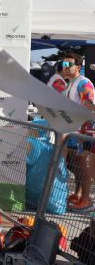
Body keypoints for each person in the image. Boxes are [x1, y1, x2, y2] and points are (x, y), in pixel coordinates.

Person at [58, 53, 95, 211]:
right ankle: (78, 194)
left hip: (84, 131)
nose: (64, 68)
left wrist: (84, 129)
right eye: (63, 65)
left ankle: (86, 200)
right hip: (74, 130)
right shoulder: (69, 83)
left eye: (68, 65)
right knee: (76, 164)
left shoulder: (83, 83)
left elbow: (90, 104)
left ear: (78, 67)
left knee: (83, 166)